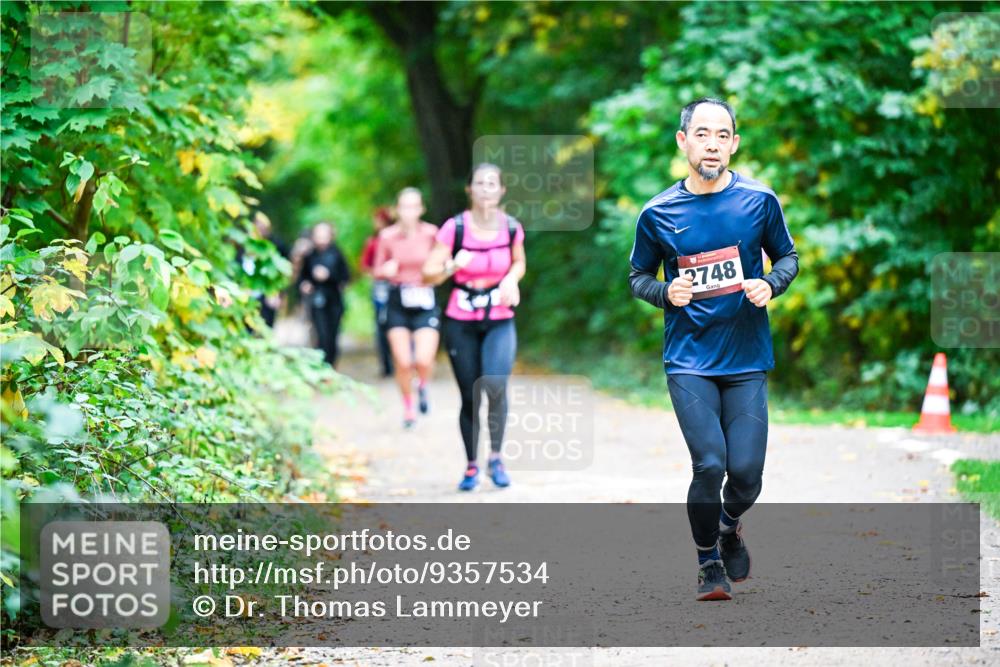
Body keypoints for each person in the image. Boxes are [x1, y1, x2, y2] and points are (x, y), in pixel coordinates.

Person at [628, 98, 799, 601]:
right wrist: (665, 292)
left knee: (745, 476)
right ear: (683, 141)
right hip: (689, 360)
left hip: (745, 356)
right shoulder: (658, 212)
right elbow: (638, 275)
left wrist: (771, 284)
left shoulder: (758, 201)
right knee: (709, 464)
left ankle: (728, 527)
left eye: (722, 135)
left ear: (734, 144)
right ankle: (708, 564)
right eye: (702, 134)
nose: (712, 144)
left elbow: (787, 256)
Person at [423, 164, 526, 492]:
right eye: (479, 183)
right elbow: (429, 274)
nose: (485, 189)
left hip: (499, 316)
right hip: (461, 319)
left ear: (501, 190)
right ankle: (471, 465)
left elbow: (519, 261)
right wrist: (453, 265)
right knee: (470, 395)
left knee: (495, 385)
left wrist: (511, 278)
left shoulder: (510, 227)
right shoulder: (453, 228)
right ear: (470, 189)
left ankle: (495, 458)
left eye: (491, 183)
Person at [373, 188, 441, 428]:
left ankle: (422, 384)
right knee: (402, 362)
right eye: (404, 206)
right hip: (397, 300)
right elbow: (376, 270)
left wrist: (437, 272)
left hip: (424, 298)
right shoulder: (387, 236)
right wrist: (385, 271)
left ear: (421, 209)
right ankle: (409, 408)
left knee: (423, 359)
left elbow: (442, 264)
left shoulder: (432, 233)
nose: (408, 211)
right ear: (397, 210)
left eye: (413, 206)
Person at [298, 222, 351, 367]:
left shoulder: (337, 254)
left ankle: (331, 365)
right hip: (316, 300)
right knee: (321, 334)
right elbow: (302, 277)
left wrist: (329, 275)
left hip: (334, 301)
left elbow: (346, 277)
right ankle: (322, 365)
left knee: (332, 336)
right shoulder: (309, 255)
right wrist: (305, 284)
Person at [361, 207, 395, 377]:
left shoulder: (396, 239)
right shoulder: (373, 242)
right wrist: (379, 273)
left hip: (398, 286)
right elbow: (365, 266)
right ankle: (387, 364)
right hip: (381, 287)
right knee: (382, 324)